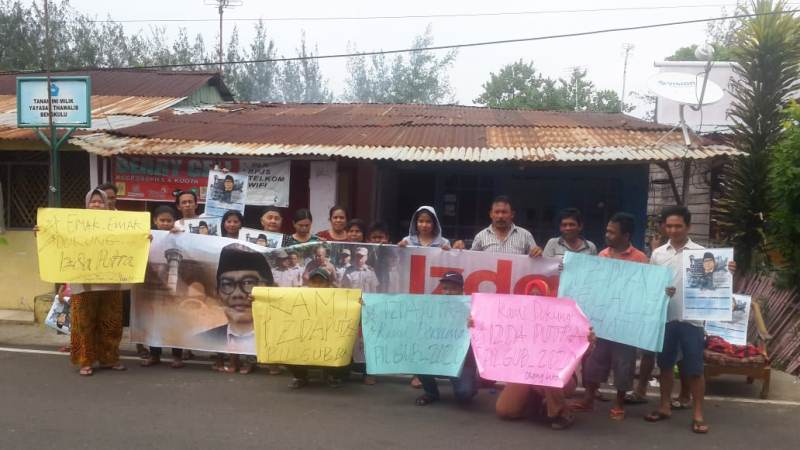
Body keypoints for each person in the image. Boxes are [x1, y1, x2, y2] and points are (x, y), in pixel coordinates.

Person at [644, 205, 736, 434]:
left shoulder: (702, 253)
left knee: (694, 370)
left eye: (678, 226)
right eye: (669, 226)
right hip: (665, 318)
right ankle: (664, 407)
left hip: (693, 320)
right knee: (665, 366)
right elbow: (650, 285)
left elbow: (716, 283)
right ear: (664, 227)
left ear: (688, 227)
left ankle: (698, 413)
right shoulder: (658, 254)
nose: (673, 230)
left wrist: (728, 269)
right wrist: (661, 291)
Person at [52, 189, 140, 376]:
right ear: (87, 204)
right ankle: (86, 361)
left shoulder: (119, 224)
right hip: (83, 283)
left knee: (111, 322)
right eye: (93, 202)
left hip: (111, 282)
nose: (97, 205)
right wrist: (42, 232)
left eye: (101, 202)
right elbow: (57, 242)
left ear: (108, 204)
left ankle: (110, 358)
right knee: (83, 323)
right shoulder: (73, 224)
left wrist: (144, 239)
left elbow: (133, 243)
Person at [571, 212, 648, 420]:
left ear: (626, 235)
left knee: (624, 363)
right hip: (603, 320)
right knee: (594, 361)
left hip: (625, 322)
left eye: (612, 232)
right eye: (607, 231)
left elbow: (645, 289)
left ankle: (619, 402)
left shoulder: (640, 259)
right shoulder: (602, 255)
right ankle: (588, 398)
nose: (607, 235)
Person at [195, 243, 275, 374]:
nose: (237, 294)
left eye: (248, 283)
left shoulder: (280, 334)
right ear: (218, 293)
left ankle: (253, 362)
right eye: (227, 284)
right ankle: (234, 361)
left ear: (269, 288)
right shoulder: (205, 337)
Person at [414, 272, 477, 406]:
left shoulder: (473, 309)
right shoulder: (431, 308)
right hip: (436, 356)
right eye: (445, 288)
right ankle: (431, 393)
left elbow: (484, 334)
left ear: (461, 290)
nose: (448, 292)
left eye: (453, 289)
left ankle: (473, 381)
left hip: (461, 361)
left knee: (465, 395)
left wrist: (475, 325)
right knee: (417, 356)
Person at [286, 267, 350, 389]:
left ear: (327, 283)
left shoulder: (338, 296)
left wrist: (357, 303)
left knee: (343, 350)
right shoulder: (299, 294)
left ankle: (333, 375)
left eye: (321, 282)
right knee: (290, 349)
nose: (317, 285)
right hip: (305, 336)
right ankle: (300, 377)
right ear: (309, 283)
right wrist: (257, 299)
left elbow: (350, 307)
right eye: (314, 282)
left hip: (328, 337)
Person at [141, 205, 185, 369]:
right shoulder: (148, 236)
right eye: (162, 220)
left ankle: (177, 355)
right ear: (155, 221)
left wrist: (179, 235)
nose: (165, 223)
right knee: (154, 321)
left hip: (173, 287)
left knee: (174, 320)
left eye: (169, 220)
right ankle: (154, 354)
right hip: (152, 286)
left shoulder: (180, 236)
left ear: (174, 221)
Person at [457, 195, 542, 257]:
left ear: (512, 214)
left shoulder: (526, 235)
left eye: (504, 212)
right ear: (491, 214)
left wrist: (538, 253)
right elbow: (471, 260)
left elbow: (535, 261)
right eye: (497, 212)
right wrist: (458, 251)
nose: (500, 216)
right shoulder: (481, 236)